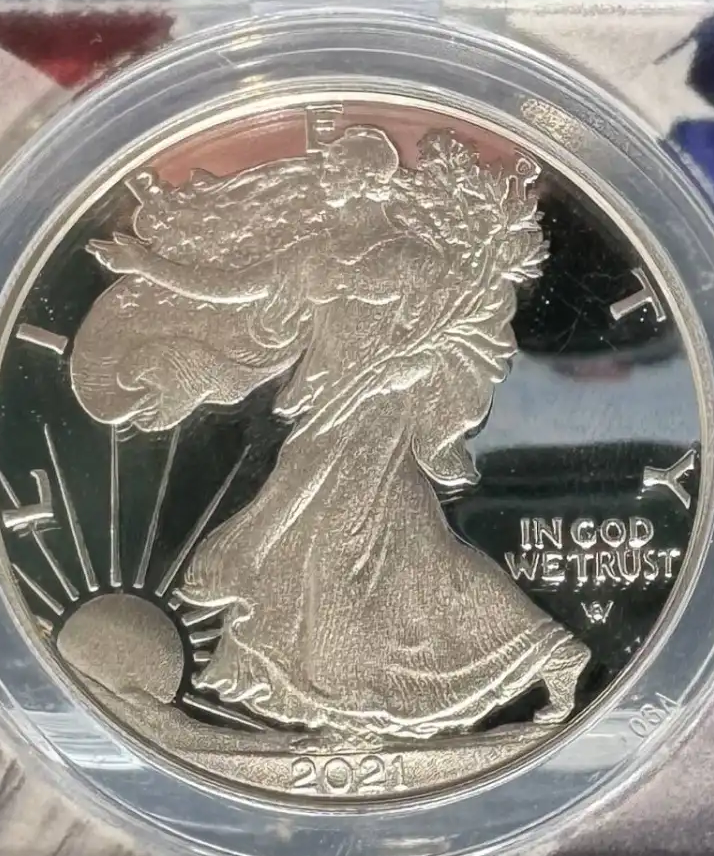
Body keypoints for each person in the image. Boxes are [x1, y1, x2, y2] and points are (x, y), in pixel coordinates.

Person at [73, 127, 589, 739]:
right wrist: (148, 266)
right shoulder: (316, 256)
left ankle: (367, 691)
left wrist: (401, 369)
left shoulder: (414, 258)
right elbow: (234, 288)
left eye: (341, 168)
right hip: (326, 410)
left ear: (368, 179)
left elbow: (454, 339)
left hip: (378, 413)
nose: (330, 177)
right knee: (380, 548)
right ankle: (527, 658)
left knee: (336, 539)